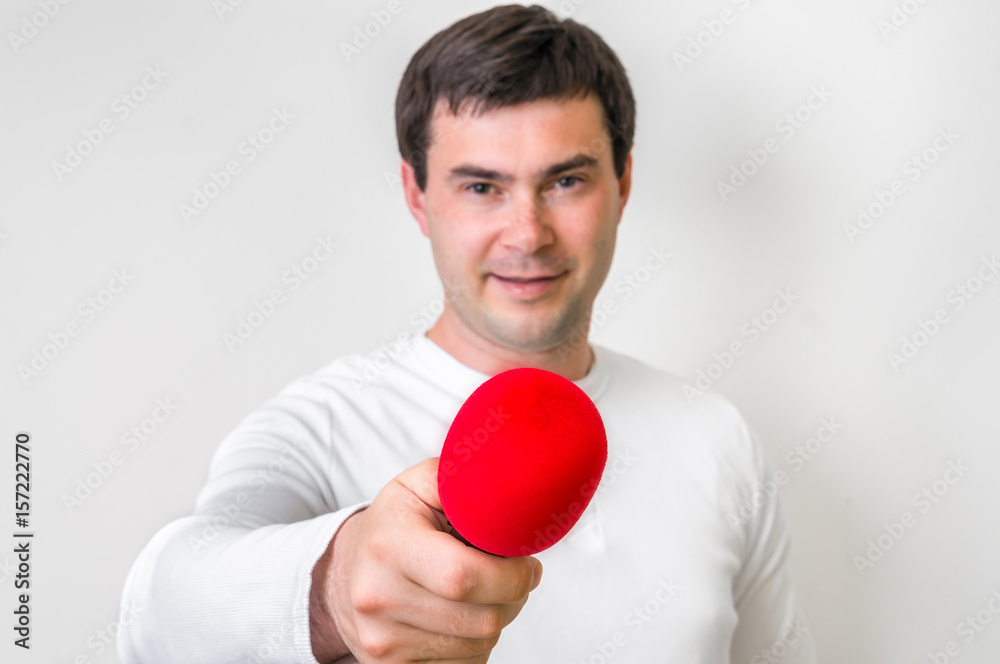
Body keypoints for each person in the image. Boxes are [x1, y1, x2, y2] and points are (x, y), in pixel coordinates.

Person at [118, 4, 819, 663]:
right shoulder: (321, 424)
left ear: (623, 183)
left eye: (566, 181)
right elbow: (158, 611)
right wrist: (331, 588)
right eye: (481, 187)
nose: (528, 234)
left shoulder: (717, 438)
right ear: (417, 196)